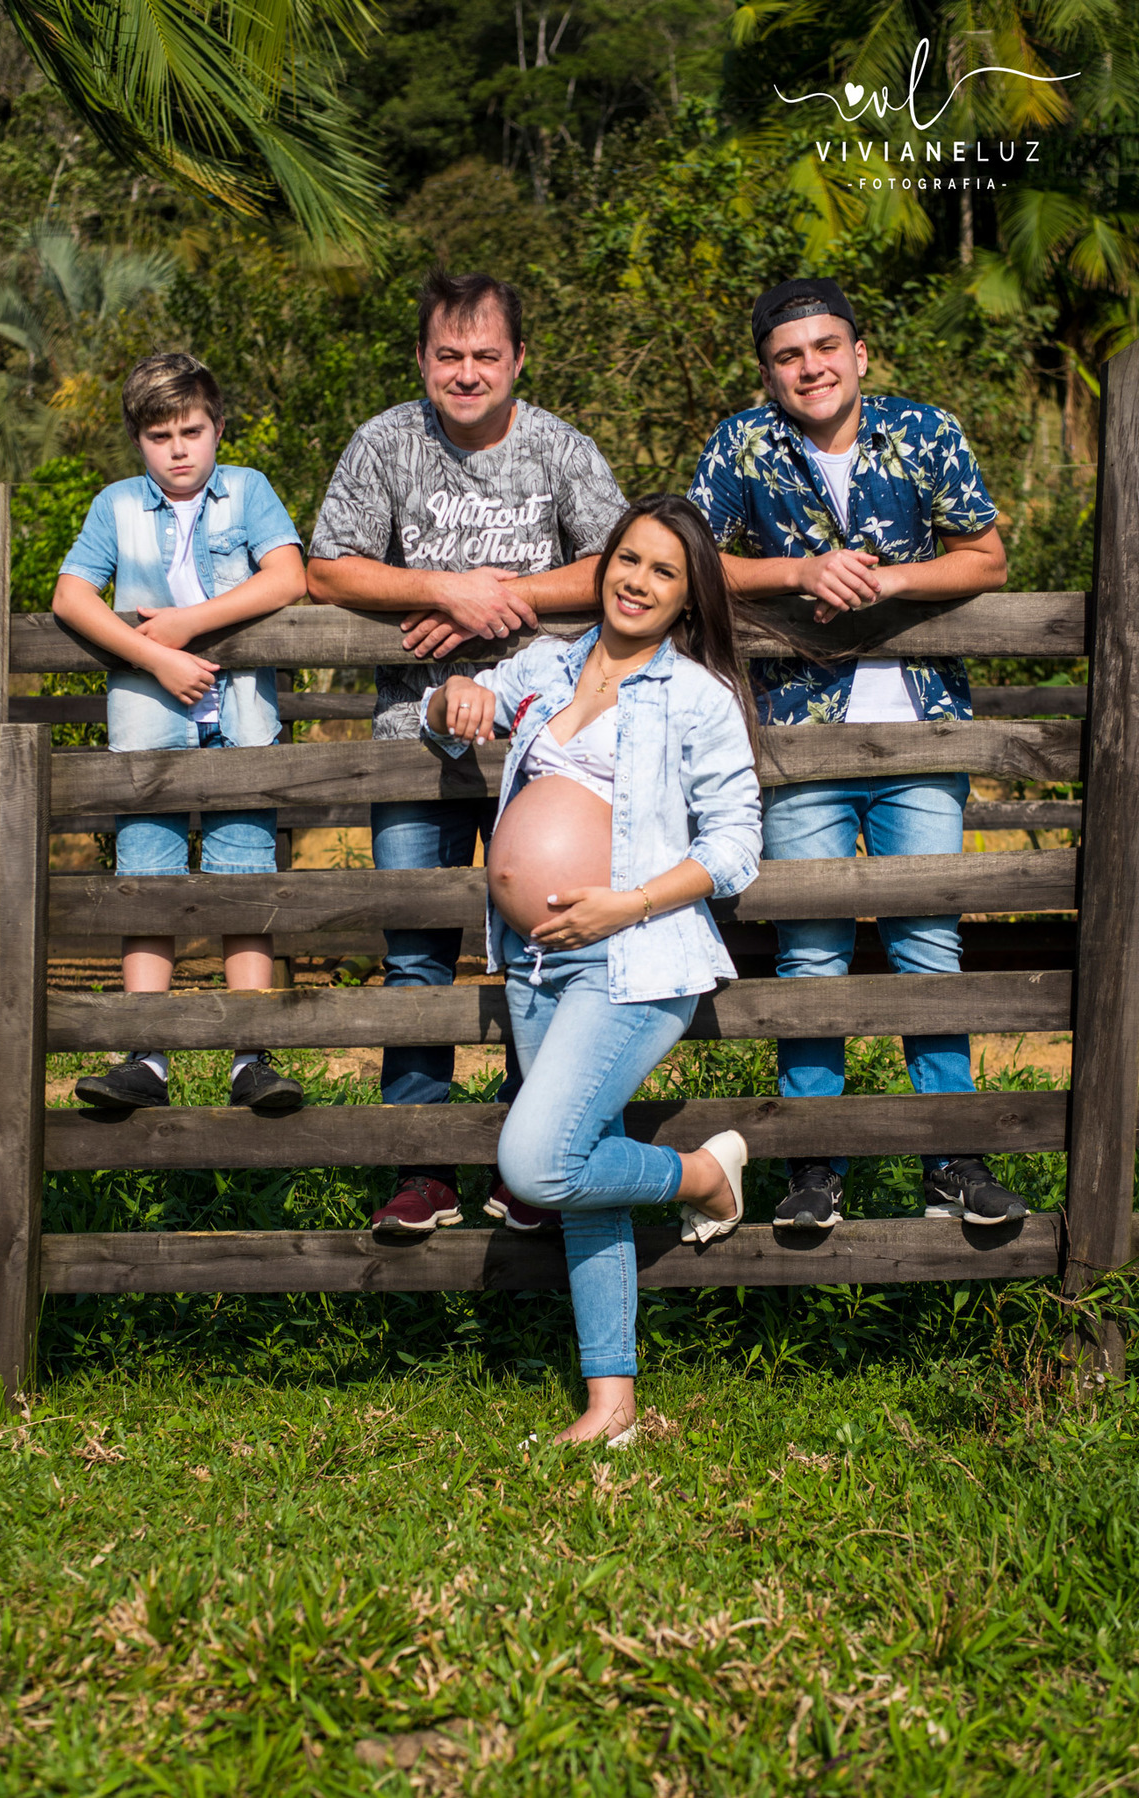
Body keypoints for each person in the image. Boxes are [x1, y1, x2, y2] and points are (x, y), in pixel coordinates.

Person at [422, 496, 764, 1446]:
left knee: (539, 1162)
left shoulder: (696, 696)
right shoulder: (545, 664)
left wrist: (628, 902)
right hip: (533, 961)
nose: (637, 580)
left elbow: (737, 845)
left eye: (663, 571)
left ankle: (701, 1175)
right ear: (603, 565)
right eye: (628, 559)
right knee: (581, 1166)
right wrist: (456, 694)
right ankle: (611, 1407)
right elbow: (448, 716)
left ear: (688, 597)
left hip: (636, 956)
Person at [688, 276, 1028, 1229]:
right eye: (790, 356)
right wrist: (799, 570)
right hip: (801, 736)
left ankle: (951, 1160)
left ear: (860, 353)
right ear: (767, 372)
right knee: (811, 951)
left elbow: (988, 557)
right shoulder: (739, 444)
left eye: (827, 347)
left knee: (927, 942)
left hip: (921, 727)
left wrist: (891, 583)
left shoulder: (925, 431)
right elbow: (693, 558)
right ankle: (811, 1167)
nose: (812, 367)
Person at [307, 268, 628, 1236]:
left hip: (542, 745)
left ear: (519, 359)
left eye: (487, 354)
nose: (467, 371)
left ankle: (536, 1162)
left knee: (544, 947)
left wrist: (508, 597)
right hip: (416, 741)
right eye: (448, 354)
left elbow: (625, 561)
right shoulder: (384, 442)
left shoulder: (561, 448)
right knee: (416, 958)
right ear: (421, 359)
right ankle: (422, 1171)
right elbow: (327, 566)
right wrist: (446, 591)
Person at [55, 351, 307, 1113]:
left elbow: (288, 575)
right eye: (159, 434)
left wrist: (192, 625)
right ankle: (146, 1054)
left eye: (191, 430)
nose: (178, 448)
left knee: (244, 874)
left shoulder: (250, 491)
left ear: (218, 428)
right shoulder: (116, 506)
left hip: (241, 720)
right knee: (147, 877)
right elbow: (72, 596)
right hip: (149, 723)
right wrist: (156, 657)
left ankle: (249, 1055)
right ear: (138, 439)